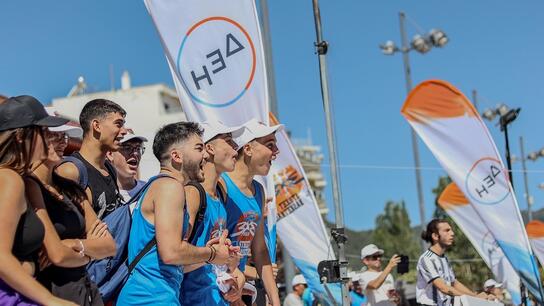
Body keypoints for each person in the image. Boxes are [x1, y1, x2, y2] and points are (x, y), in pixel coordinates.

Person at [117, 122, 235, 305]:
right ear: (176, 156)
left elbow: (173, 261)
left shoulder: (162, 186)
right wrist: (211, 253)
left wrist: (217, 255)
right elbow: (171, 253)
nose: (205, 155)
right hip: (149, 299)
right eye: (199, 148)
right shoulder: (169, 187)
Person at [26, 115, 116, 305]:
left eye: (64, 137)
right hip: (52, 293)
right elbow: (57, 255)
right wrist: (89, 247)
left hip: (86, 291)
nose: (62, 142)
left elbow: (109, 246)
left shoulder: (71, 188)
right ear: (35, 138)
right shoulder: (28, 186)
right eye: (54, 135)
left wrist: (74, 244)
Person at [0, 95, 76, 305]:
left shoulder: (19, 180)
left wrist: (28, 262)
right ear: (20, 137)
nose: (50, 137)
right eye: (43, 131)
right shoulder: (10, 180)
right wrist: (51, 300)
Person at [180, 120, 246, 305]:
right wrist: (213, 256)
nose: (236, 148)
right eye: (229, 141)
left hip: (216, 298)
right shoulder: (192, 193)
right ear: (209, 148)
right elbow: (175, 256)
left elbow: (218, 260)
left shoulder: (219, 195)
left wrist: (234, 272)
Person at [221, 118, 282, 306]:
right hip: (217, 289)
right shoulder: (221, 184)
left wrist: (275, 301)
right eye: (270, 145)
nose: (276, 152)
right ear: (247, 149)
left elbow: (260, 251)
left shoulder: (259, 190)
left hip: (239, 288)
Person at [56, 99, 127, 219]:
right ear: (97, 126)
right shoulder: (71, 171)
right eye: (118, 124)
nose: (124, 131)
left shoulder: (109, 168)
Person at [416, 219, 493, 305]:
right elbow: (443, 288)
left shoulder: (444, 258)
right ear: (435, 236)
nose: (452, 233)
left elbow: (454, 283)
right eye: (447, 230)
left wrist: (476, 296)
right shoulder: (426, 259)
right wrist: (474, 298)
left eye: (451, 230)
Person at [106, 131, 147, 202]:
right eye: (127, 148)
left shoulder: (149, 191)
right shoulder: (101, 194)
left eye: (138, 148)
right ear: (110, 154)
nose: (135, 153)